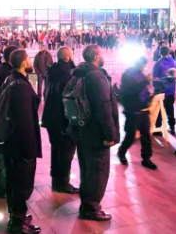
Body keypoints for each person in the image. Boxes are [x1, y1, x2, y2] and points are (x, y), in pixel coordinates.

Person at [71, 45, 118, 222]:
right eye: (102, 53)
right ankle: (91, 208)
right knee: (98, 171)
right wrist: (110, 134)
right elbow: (103, 108)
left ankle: (86, 204)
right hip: (96, 133)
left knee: (87, 169)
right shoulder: (97, 77)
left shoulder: (79, 73)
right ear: (97, 56)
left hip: (82, 129)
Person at [2, 49, 42, 234]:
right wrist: (29, 151)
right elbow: (25, 120)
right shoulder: (20, 86)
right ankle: (17, 223)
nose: (30, 61)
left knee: (15, 181)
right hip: (21, 145)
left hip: (13, 142)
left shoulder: (12, 80)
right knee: (21, 183)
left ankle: (17, 215)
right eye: (28, 59)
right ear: (23, 63)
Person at [42, 46, 78, 193]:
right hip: (62, 120)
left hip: (51, 118)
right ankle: (62, 182)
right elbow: (67, 100)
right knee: (65, 152)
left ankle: (56, 179)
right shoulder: (66, 74)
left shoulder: (53, 71)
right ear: (68, 57)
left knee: (56, 149)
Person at [118, 57, 158, 170]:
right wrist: (146, 81)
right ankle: (121, 152)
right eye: (143, 65)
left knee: (146, 135)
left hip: (143, 110)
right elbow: (131, 90)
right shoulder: (128, 74)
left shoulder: (140, 74)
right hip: (132, 110)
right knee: (131, 136)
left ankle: (146, 158)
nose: (143, 67)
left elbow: (142, 90)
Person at [0, 45, 17, 198]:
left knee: (1, 155)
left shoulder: (0, 70)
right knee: (3, 157)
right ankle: (3, 187)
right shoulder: (6, 74)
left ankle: (2, 186)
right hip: (4, 120)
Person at [151, 46, 176, 135]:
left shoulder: (158, 63)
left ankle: (158, 129)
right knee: (170, 109)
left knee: (159, 110)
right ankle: (172, 127)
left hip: (161, 91)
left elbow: (154, 76)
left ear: (160, 53)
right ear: (169, 52)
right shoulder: (174, 62)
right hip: (171, 90)